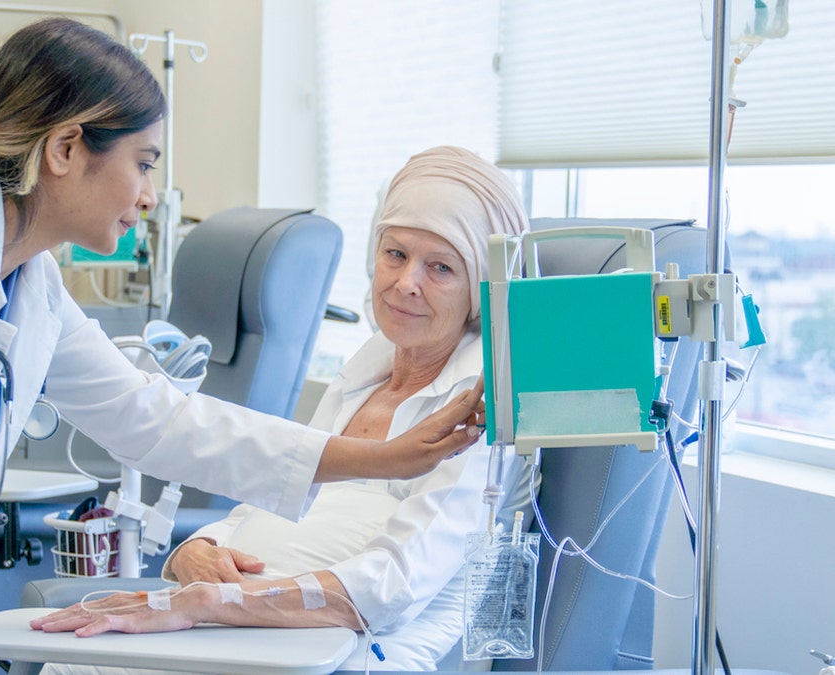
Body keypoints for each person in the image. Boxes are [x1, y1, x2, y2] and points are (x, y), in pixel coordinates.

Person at [0, 20, 485, 675]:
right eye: (142, 163)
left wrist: (384, 457)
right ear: (66, 148)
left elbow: (155, 419)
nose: (149, 195)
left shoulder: (29, 280)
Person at [30, 145, 533, 672]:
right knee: (74, 663)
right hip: (247, 625)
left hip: (344, 650)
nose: (406, 283)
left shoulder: (481, 408)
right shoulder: (365, 374)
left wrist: (211, 601)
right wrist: (196, 550)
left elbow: (393, 585)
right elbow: (280, 491)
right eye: (395, 254)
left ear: (479, 289)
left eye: (441, 268)